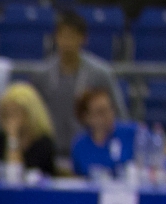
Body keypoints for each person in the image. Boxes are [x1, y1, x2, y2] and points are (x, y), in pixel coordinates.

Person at [34, 9, 123, 167]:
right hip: (52, 151)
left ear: (83, 39)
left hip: (89, 154)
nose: (67, 42)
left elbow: (118, 113)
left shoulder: (100, 74)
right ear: (56, 37)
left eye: (72, 36)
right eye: (63, 36)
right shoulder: (42, 75)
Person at [0, 80, 57, 179]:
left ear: (30, 114)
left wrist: (13, 138)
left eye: (15, 113)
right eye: (6, 114)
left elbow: (16, 177)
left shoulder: (43, 143)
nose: (10, 120)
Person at [69, 86, 139, 179]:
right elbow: (78, 180)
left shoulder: (133, 134)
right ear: (86, 117)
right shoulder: (79, 145)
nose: (108, 115)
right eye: (101, 112)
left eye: (109, 109)